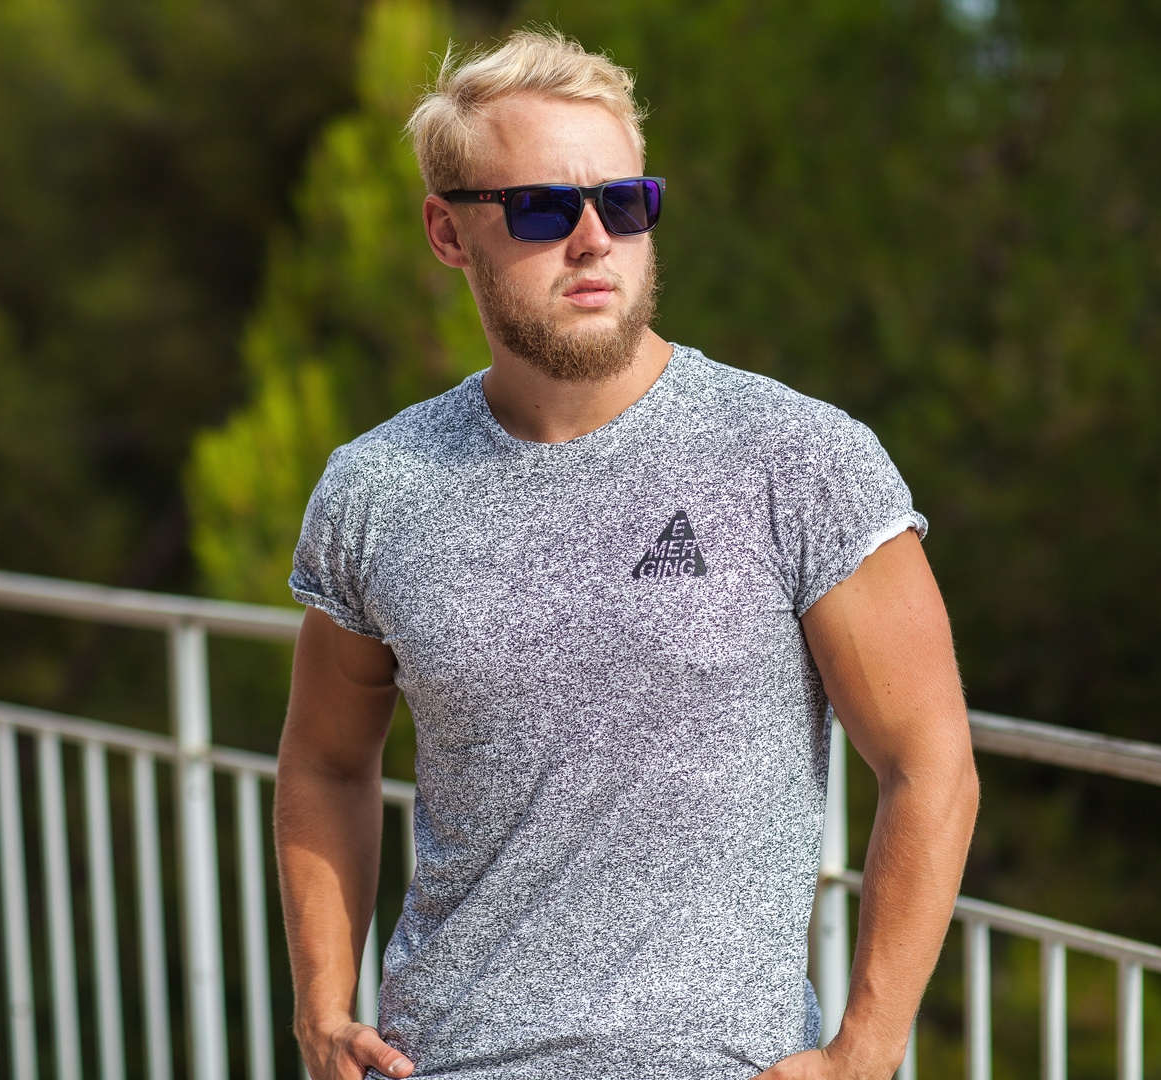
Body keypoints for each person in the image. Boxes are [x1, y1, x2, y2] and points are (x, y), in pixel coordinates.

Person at [275, 28, 978, 1080]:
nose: (594, 239)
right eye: (542, 208)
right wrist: (322, 1008)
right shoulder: (378, 487)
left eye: (625, 202)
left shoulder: (796, 457)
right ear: (448, 231)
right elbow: (327, 761)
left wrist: (865, 1051)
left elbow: (931, 763)